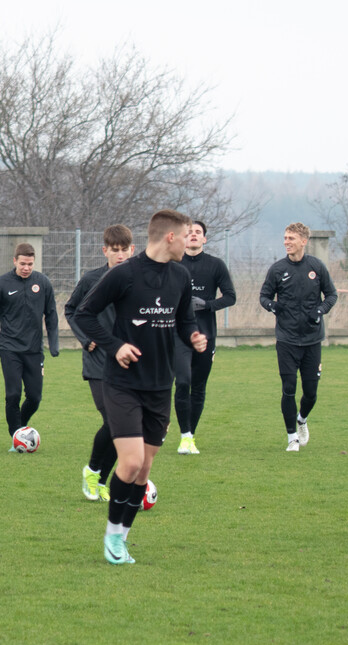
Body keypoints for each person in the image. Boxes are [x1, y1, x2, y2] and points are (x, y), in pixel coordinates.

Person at [75, 209, 206, 565]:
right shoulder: (124, 275)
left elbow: (184, 319)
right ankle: (112, 536)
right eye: (185, 235)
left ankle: (122, 536)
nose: (189, 240)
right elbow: (84, 314)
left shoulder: (180, 275)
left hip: (160, 386)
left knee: (144, 470)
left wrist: (193, 335)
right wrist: (114, 345)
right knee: (130, 463)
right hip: (123, 384)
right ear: (169, 237)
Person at [64, 225, 134, 501]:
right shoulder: (92, 279)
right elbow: (71, 310)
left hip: (127, 363)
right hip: (97, 363)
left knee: (125, 427)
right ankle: (93, 470)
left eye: (124, 250)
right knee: (114, 421)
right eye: (114, 250)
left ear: (133, 249)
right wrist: (86, 338)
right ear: (105, 250)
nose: (119, 255)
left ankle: (101, 481)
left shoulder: (137, 280)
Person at [259, 222, 337, 452]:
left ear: (304, 241)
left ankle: (302, 420)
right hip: (286, 340)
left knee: (311, 393)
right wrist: (274, 307)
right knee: (289, 387)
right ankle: (292, 437)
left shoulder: (317, 266)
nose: (286, 242)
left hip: (312, 340)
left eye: (291, 238)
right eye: (285, 238)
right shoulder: (276, 269)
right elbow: (264, 297)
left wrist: (320, 311)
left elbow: (331, 295)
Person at [0, 243, 59, 449]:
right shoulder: (2, 284)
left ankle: (21, 429)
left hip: (34, 350)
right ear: (15, 261)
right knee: (13, 394)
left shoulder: (43, 283)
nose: (26, 268)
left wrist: (54, 342)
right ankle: (16, 437)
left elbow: (51, 315)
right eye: (23, 263)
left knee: (35, 397)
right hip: (9, 348)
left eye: (30, 264)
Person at [173, 220, 236, 454]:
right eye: (189, 232)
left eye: (198, 232)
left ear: (204, 239)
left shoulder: (215, 265)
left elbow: (230, 296)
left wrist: (207, 304)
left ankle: (190, 436)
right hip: (178, 334)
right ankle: (183, 435)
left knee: (198, 387)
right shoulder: (174, 263)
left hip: (206, 334)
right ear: (183, 237)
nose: (193, 236)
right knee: (182, 383)